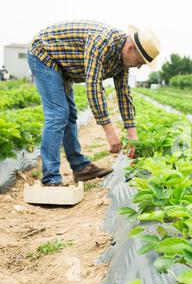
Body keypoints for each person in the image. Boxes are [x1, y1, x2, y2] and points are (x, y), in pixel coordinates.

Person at [27, 20, 161, 186]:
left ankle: (80, 168)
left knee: (70, 114)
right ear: (130, 48)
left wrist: (132, 135)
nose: (139, 67)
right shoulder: (101, 42)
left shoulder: (122, 61)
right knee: (58, 113)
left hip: (63, 68)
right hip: (43, 55)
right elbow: (93, 86)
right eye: (140, 62)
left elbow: (124, 94)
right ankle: (50, 179)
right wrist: (110, 131)